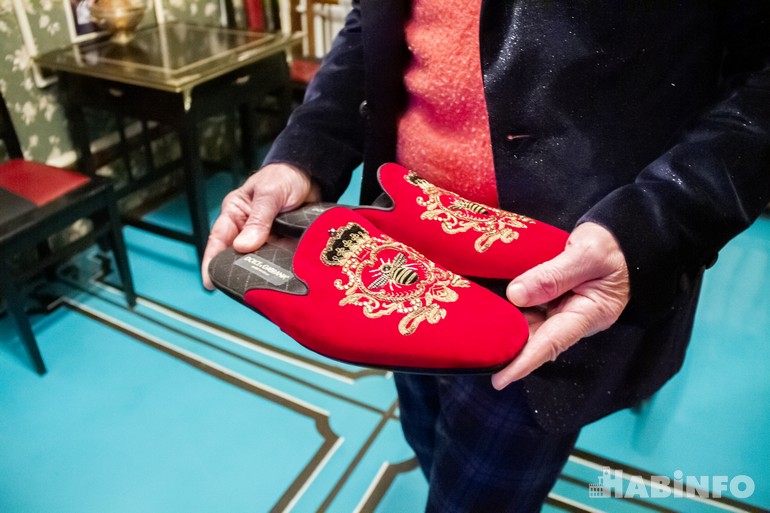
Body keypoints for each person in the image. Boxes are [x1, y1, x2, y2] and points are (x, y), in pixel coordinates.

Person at [202, 2, 770, 511]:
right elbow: (372, 22)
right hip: (396, 237)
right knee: (425, 434)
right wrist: (304, 152)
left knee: (481, 497)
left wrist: (656, 222)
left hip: (566, 270)